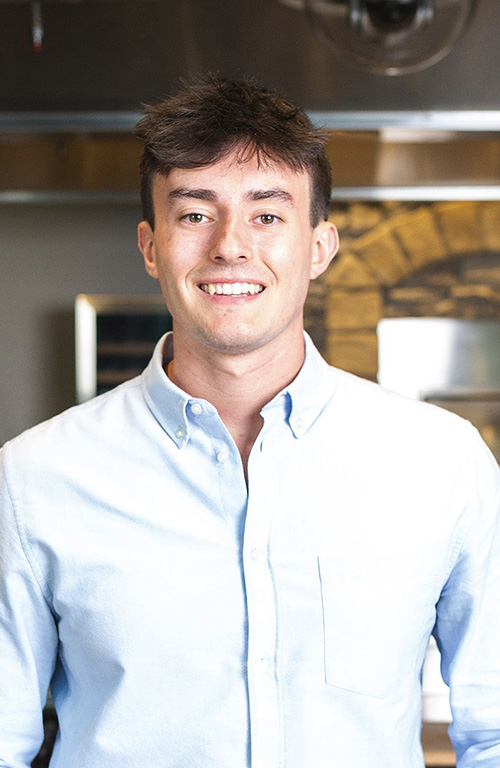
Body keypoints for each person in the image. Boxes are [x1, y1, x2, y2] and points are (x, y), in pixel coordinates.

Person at [0, 76, 499, 768]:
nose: (231, 246)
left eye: (267, 215)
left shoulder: (442, 463)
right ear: (150, 247)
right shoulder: (32, 480)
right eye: (196, 215)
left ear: (319, 247)